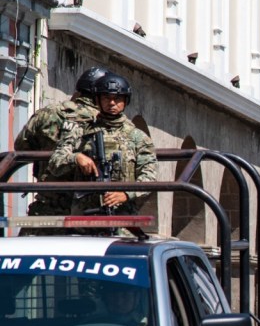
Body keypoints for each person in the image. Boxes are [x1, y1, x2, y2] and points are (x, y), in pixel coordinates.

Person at [46, 73, 158, 216]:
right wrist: (76, 158)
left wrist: (126, 194)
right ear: (97, 100)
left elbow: (149, 176)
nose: (111, 103)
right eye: (106, 98)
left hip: (122, 219)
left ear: (125, 101)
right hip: (84, 219)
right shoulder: (80, 132)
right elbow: (55, 162)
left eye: (117, 98)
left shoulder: (138, 137)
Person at [16, 66, 107, 219]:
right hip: (88, 208)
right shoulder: (104, 120)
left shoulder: (48, 113)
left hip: (47, 204)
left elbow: (21, 146)